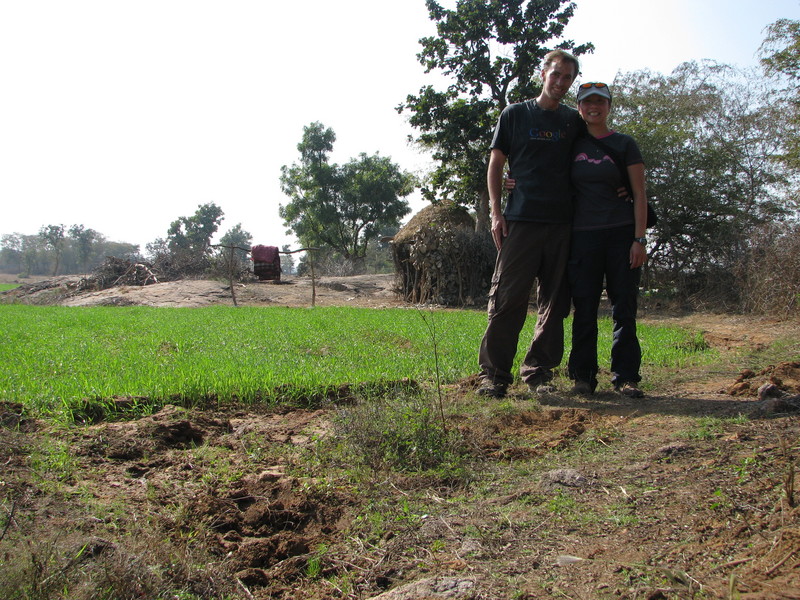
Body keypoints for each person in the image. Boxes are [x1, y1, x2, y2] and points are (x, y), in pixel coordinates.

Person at [477, 49, 586, 398]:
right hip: (520, 220)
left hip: (563, 223)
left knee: (555, 303)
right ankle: (494, 376)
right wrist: (496, 211)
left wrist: (619, 182)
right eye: (556, 74)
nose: (561, 82)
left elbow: (595, 155)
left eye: (568, 77)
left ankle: (539, 373)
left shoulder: (574, 121)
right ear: (543, 73)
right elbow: (496, 164)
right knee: (508, 298)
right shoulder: (514, 115)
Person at [565, 81, 648, 397]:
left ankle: (626, 378)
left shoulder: (625, 144)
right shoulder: (572, 145)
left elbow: (639, 194)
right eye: (587, 102)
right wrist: (515, 181)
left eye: (600, 102)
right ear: (580, 107)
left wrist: (639, 239)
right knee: (584, 307)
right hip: (582, 237)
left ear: (609, 106)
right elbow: (544, 172)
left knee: (623, 308)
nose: (593, 107)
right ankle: (583, 378)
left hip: (621, 235)